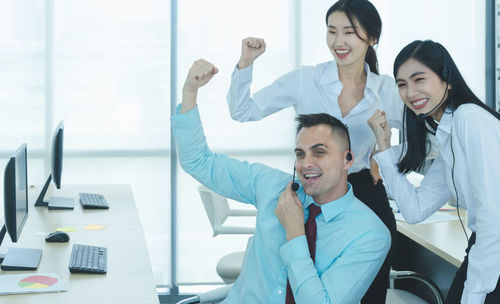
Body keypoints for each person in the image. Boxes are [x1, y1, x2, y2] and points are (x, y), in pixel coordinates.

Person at [173, 59, 390, 303]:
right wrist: (190, 91)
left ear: (347, 160)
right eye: (300, 154)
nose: (306, 163)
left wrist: (295, 232)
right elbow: (199, 161)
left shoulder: (370, 234)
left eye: (319, 152)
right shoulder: (272, 186)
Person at [226, 0, 402, 301]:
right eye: (331, 31)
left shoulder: (387, 89)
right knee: (303, 283)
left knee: (370, 294)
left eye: (350, 32)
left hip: (365, 192)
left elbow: (425, 144)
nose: (338, 41)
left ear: (372, 38)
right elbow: (243, 111)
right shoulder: (306, 80)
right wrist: (246, 63)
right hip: (312, 196)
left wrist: (384, 156)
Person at [368, 40, 500, 304]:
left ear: (447, 80)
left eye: (419, 79)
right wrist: (384, 146)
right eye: (402, 84)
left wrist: (472, 295)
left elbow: (492, 215)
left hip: (491, 246)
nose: (409, 92)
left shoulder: (469, 118)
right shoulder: (447, 136)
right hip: (485, 247)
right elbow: (415, 210)